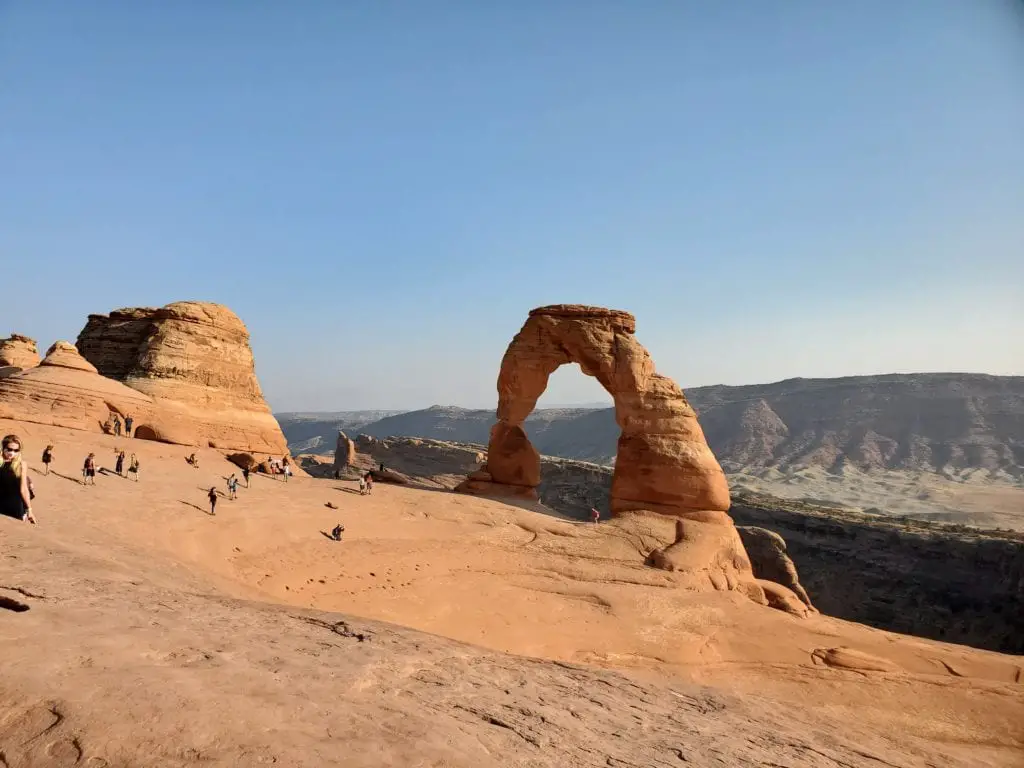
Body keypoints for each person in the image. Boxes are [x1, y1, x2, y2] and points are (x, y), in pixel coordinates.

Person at [1, 435, 36, 524]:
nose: (12, 453)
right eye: (9, 449)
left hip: (15, 507)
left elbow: (23, 489)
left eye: (16, 450)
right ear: (3, 447)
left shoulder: (21, 465)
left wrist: (30, 510)